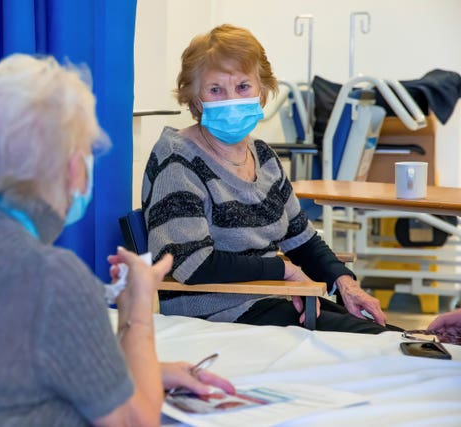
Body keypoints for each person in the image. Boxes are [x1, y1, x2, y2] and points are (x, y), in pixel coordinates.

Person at [0, 54, 234, 427]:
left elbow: (9, 363)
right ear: (73, 167)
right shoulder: (50, 275)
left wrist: (150, 372)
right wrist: (137, 309)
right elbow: (134, 423)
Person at [141, 24, 402, 334]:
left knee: (395, 337)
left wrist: (345, 283)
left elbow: (301, 238)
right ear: (195, 99)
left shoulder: (263, 157)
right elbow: (191, 263)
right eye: (215, 90)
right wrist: (284, 271)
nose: (231, 99)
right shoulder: (178, 160)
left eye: (242, 86)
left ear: (261, 91)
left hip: (275, 299)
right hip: (221, 313)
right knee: (380, 343)